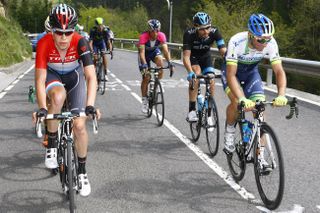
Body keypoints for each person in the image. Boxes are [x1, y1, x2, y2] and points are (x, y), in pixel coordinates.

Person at [35, 4, 98, 197]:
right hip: (53, 77)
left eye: (68, 32)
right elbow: (39, 79)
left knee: (79, 126)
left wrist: (90, 106)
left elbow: (91, 77)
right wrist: (43, 109)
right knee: (58, 96)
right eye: (58, 32)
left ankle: (82, 172)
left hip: (74, 78)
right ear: (51, 30)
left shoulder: (81, 42)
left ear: (74, 30)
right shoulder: (44, 43)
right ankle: (52, 146)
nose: (63, 38)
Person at [221, 14, 287, 167]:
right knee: (237, 102)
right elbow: (231, 75)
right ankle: (230, 131)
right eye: (260, 40)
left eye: (268, 39)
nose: (265, 43)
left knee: (260, 110)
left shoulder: (270, 42)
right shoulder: (237, 41)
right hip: (232, 73)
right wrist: (242, 98)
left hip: (251, 73)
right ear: (250, 35)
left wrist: (282, 94)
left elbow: (279, 71)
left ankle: (260, 156)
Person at [183, 12, 226, 123]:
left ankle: (209, 113)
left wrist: (230, 66)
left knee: (211, 79)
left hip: (206, 57)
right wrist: (190, 72)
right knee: (196, 73)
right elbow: (186, 57)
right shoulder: (189, 34)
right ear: (196, 27)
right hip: (193, 57)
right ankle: (192, 110)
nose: (206, 31)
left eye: (208, 27)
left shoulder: (215, 31)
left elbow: (223, 51)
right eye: (202, 29)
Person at [138, 19, 174, 113]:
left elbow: (165, 50)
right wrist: (145, 65)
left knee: (160, 61)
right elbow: (141, 53)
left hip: (154, 52)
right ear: (149, 30)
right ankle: (144, 101)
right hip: (144, 55)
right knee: (146, 77)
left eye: (157, 30)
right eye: (153, 31)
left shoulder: (161, 36)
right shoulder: (143, 37)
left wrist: (170, 62)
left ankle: (158, 82)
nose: (155, 33)